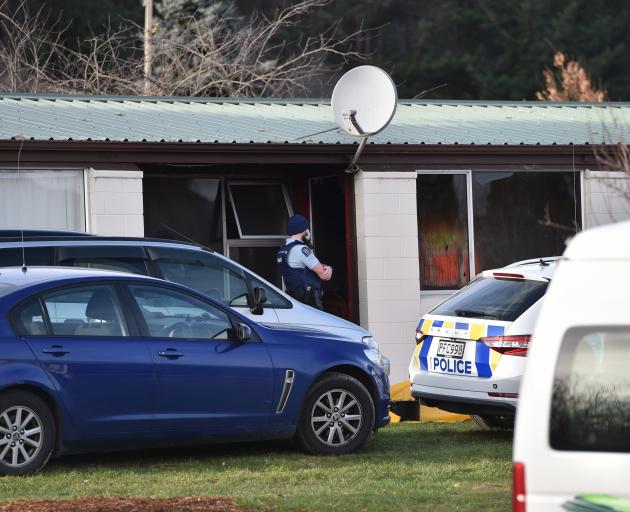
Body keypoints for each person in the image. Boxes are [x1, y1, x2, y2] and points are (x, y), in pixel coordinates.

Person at [277, 214, 332, 310]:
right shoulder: (302, 249)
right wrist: (329, 269)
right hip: (309, 303)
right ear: (304, 230)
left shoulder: (283, 249)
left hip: (295, 301)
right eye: (307, 229)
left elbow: (305, 266)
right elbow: (324, 274)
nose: (308, 232)